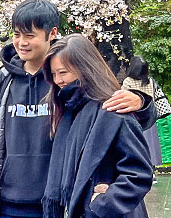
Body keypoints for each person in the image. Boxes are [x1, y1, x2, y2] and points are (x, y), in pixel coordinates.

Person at [0, 0, 156, 218]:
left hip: (57, 204)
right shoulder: (0, 83)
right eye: (17, 34)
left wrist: (141, 103)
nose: (22, 43)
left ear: (51, 33)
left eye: (30, 36)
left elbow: (111, 116)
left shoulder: (71, 84)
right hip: (6, 204)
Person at [42, 35, 153, 218]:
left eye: (63, 72)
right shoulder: (67, 110)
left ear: (84, 68)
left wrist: (102, 204)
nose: (58, 80)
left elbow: (138, 172)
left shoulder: (112, 110)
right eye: (53, 74)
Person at [122, 56, 164, 168]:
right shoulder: (150, 81)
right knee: (151, 144)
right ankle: (152, 169)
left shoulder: (128, 81)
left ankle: (140, 168)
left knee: (137, 144)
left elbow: (123, 96)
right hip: (150, 115)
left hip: (135, 117)